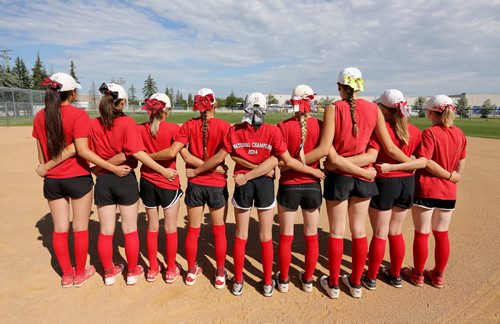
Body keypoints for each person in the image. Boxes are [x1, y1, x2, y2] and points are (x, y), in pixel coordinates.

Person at [306, 67, 413, 299]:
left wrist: (337, 164)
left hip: (340, 178)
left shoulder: (333, 108)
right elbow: (388, 148)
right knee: (359, 231)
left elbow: (327, 152)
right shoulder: (373, 109)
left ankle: (333, 284)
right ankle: (355, 284)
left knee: (336, 230)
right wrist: (411, 164)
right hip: (364, 177)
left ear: (340, 87)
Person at [216, 92, 325, 297]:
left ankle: (238, 281)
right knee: (266, 236)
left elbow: (230, 154)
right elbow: (281, 160)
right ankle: (267, 283)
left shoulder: (234, 130)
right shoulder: (273, 131)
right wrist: (311, 171)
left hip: (242, 183)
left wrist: (246, 174)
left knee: (241, 235)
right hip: (264, 184)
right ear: (265, 108)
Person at [88, 83, 177, 286]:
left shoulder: (94, 124)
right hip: (125, 178)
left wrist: (98, 169)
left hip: (103, 180)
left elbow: (89, 153)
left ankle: (109, 273)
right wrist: (163, 170)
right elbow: (135, 153)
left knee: (105, 230)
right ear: (123, 102)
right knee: (130, 229)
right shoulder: (128, 123)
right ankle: (132, 272)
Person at [377, 95, 466, 289]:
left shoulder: (430, 133)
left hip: (427, 188)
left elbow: (425, 161)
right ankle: (438, 276)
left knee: (422, 233)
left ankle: (417, 274)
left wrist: (445, 174)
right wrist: (453, 176)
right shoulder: (459, 133)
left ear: (432, 112)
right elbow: (461, 161)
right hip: (449, 192)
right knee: (442, 233)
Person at [149, 88, 231, 289]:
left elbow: (184, 156)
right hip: (216, 184)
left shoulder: (188, 125)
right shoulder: (225, 126)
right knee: (219, 231)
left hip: (196, 185)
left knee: (193, 231)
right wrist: (214, 168)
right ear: (215, 104)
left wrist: (197, 170)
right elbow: (221, 158)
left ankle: (191, 272)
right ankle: (220, 274)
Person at [33, 73, 97, 287]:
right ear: (72, 93)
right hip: (77, 176)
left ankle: (67, 275)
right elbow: (76, 149)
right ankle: (80, 273)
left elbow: (41, 152)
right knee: (80, 227)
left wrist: (46, 168)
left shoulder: (40, 116)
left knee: (60, 228)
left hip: (53, 181)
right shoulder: (78, 115)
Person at [361, 89, 422, 290]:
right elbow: (418, 159)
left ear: (384, 109)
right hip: (407, 183)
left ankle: (370, 278)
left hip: (385, 181)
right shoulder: (414, 131)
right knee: (395, 232)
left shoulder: (381, 129)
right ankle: (395, 275)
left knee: (379, 232)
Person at [137, 93, 182, 283]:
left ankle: (153, 268)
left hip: (147, 180)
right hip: (168, 181)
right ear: (166, 111)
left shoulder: (139, 129)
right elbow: (172, 152)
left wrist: (147, 157)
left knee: (152, 226)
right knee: (170, 227)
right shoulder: (173, 128)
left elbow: (136, 154)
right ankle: (171, 269)